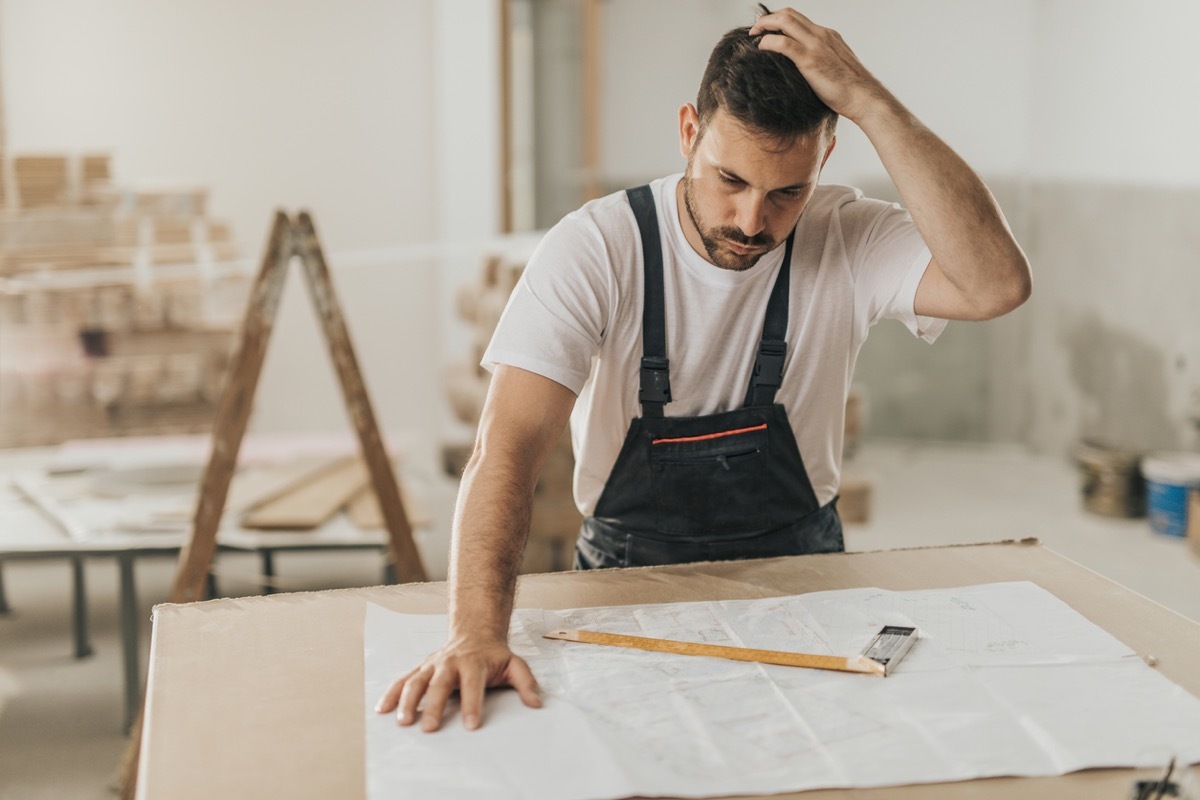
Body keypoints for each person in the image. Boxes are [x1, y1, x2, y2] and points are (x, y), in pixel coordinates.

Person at [376, 7, 1030, 732]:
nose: (753, 221)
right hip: (628, 567)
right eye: (730, 180)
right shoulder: (598, 248)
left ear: (825, 156)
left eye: (787, 192)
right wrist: (476, 631)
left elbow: (994, 284)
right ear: (689, 131)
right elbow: (505, 447)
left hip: (803, 568)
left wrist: (873, 101)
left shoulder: (846, 237)